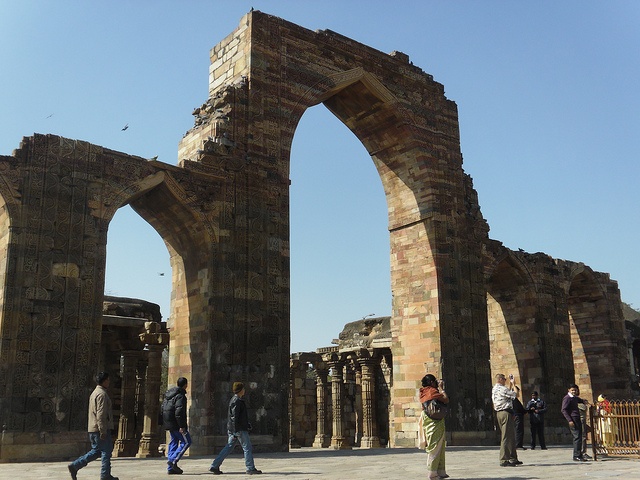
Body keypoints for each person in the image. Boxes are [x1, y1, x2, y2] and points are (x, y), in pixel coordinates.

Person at [68, 372, 118, 480]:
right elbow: (101, 414)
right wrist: (103, 430)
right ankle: (105, 475)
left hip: (93, 428)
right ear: (104, 381)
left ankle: (75, 466)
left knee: (96, 452)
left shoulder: (95, 393)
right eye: (108, 380)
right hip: (100, 429)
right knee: (106, 452)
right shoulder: (102, 394)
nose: (109, 382)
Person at [209, 382, 262, 475]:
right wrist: (236, 431)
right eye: (243, 389)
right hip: (238, 429)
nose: (244, 390)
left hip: (236, 428)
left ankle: (215, 465)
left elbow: (239, 417)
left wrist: (246, 424)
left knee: (229, 447)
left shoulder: (236, 400)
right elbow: (235, 417)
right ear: (240, 390)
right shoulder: (237, 401)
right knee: (247, 447)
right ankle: (250, 468)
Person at [418, 374, 450, 480]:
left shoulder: (423, 392)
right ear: (431, 382)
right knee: (435, 447)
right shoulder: (432, 391)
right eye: (435, 381)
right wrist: (441, 388)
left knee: (440, 445)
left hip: (428, 420)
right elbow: (445, 399)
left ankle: (440, 471)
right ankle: (432, 472)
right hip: (434, 422)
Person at [163, 377, 192, 474]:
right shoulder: (180, 396)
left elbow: (164, 408)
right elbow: (179, 412)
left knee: (174, 442)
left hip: (169, 423)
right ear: (185, 385)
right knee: (187, 441)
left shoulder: (169, 395)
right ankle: (172, 461)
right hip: (177, 424)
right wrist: (182, 425)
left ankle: (170, 469)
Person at [491, 373, 522, 467]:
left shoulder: (495, 388)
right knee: (506, 436)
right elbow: (516, 395)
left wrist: (510, 386)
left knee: (510, 435)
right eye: (504, 379)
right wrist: (514, 384)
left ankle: (513, 457)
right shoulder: (502, 388)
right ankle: (504, 459)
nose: (505, 380)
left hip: (500, 413)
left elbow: (506, 394)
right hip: (505, 413)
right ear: (500, 379)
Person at [561, 384, 589, 461]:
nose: (574, 391)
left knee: (579, 437)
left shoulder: (573, 398)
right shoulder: (567, 398)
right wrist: (569, 420)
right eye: (572, 390)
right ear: (569, 390)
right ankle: (576, 455)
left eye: (575, 390)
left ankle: (579, 455)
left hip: (577, 418)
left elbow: (578, 399)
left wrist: (583, 401)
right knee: (577, 437)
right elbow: (563, 410)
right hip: (573, 419)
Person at [576, 386, 591, 459]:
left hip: (583, 420)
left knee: (584, 436)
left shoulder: (579, 401)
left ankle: (583, 452)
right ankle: (582, 452)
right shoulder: (576, 403)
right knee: (582, 437)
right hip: (580, 421)